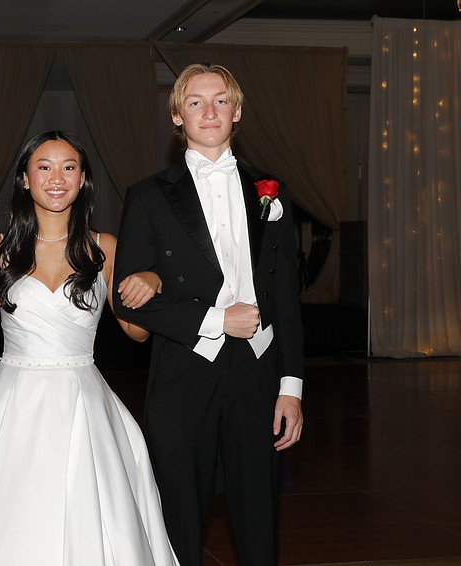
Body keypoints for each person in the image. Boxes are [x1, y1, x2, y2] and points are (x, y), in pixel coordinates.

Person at [0, 130, 179, 566]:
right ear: (25, 181)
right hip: (11, 398)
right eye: (44, 167)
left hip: (83, 399)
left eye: (69, 167)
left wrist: (153, 281)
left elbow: (137, 333)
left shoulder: (105, 248)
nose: (56, 177)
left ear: (83, 179)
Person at [112, 63, 305, 565]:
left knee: (258, 512)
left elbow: (286, 298)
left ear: (237, 111)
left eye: (220, 100)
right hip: (182, 371)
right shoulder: (148, 195)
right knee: (179, 513)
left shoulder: (272, 191)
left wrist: (291, 389)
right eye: (195, 102)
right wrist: (217, 321)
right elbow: (131, 297)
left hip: (258, 373)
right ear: (177, 116)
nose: (209, 111)